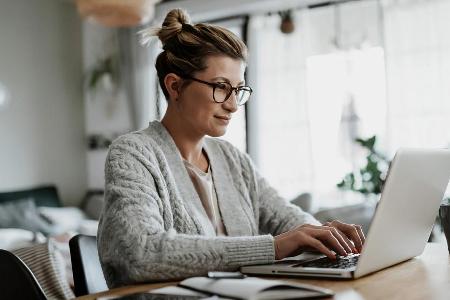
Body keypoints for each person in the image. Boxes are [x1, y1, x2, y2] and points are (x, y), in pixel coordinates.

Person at [97, 8, 365, 288]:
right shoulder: (133, 153)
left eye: (238, 90)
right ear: (175, 87)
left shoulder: (232, 159)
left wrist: (323, 235)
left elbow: (286, 218)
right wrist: (273, 247)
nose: (233, 105)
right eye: (221, 87)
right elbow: (140, 252)